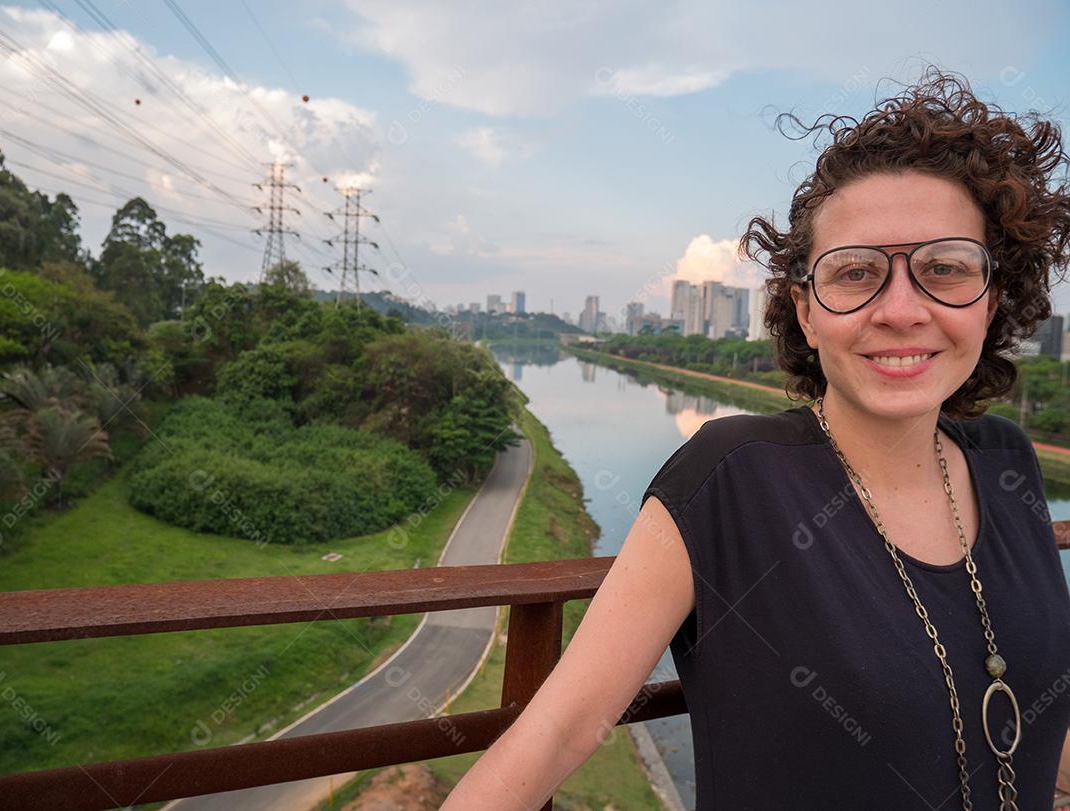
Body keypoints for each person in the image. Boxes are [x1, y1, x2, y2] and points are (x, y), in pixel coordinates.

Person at [439, 66, 1070, 810]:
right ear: (805, 310)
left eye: (944, 268)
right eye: (857, 272)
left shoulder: (1008, 461)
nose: (902, 309)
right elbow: (561, 728)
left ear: (992, 298)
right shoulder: (726, 480)